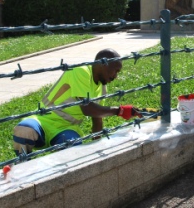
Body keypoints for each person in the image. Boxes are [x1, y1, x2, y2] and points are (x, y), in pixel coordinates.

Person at [13, 48, 142, 156]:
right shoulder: (81, 70)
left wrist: (96, 148)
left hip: (66, 128)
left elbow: (97, 118)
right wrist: (119, 111)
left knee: (73, 151)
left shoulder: (102, 88)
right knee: (24, 130)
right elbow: (87, 108)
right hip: (43, 120)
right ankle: (21, 169)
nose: (116, 76)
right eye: (116, 71)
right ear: (103, 63)